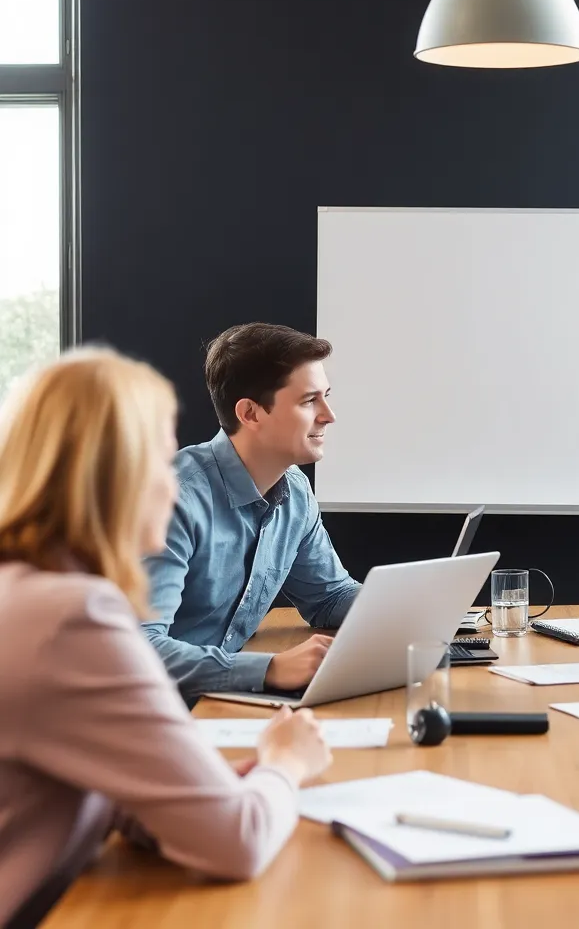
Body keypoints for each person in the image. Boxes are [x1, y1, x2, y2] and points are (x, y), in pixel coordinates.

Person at [0, 350, 333, 928]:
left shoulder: (27, 593)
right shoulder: (73, 618)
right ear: (116, 477)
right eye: (158, 458)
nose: (172, 477)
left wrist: (187, 788)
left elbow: (60, 782)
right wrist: (286, 763)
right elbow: (240, 843)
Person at [143, 323, 361, 703]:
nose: (329, 415)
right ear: (251, 413)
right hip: (150, 715)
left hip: (221, 702)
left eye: (325, 397)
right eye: (309, 401)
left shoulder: (294, 491)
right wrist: (271, 669)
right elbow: (139, 649)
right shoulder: (172, 498)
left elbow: (328, 596)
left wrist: (408, 610)